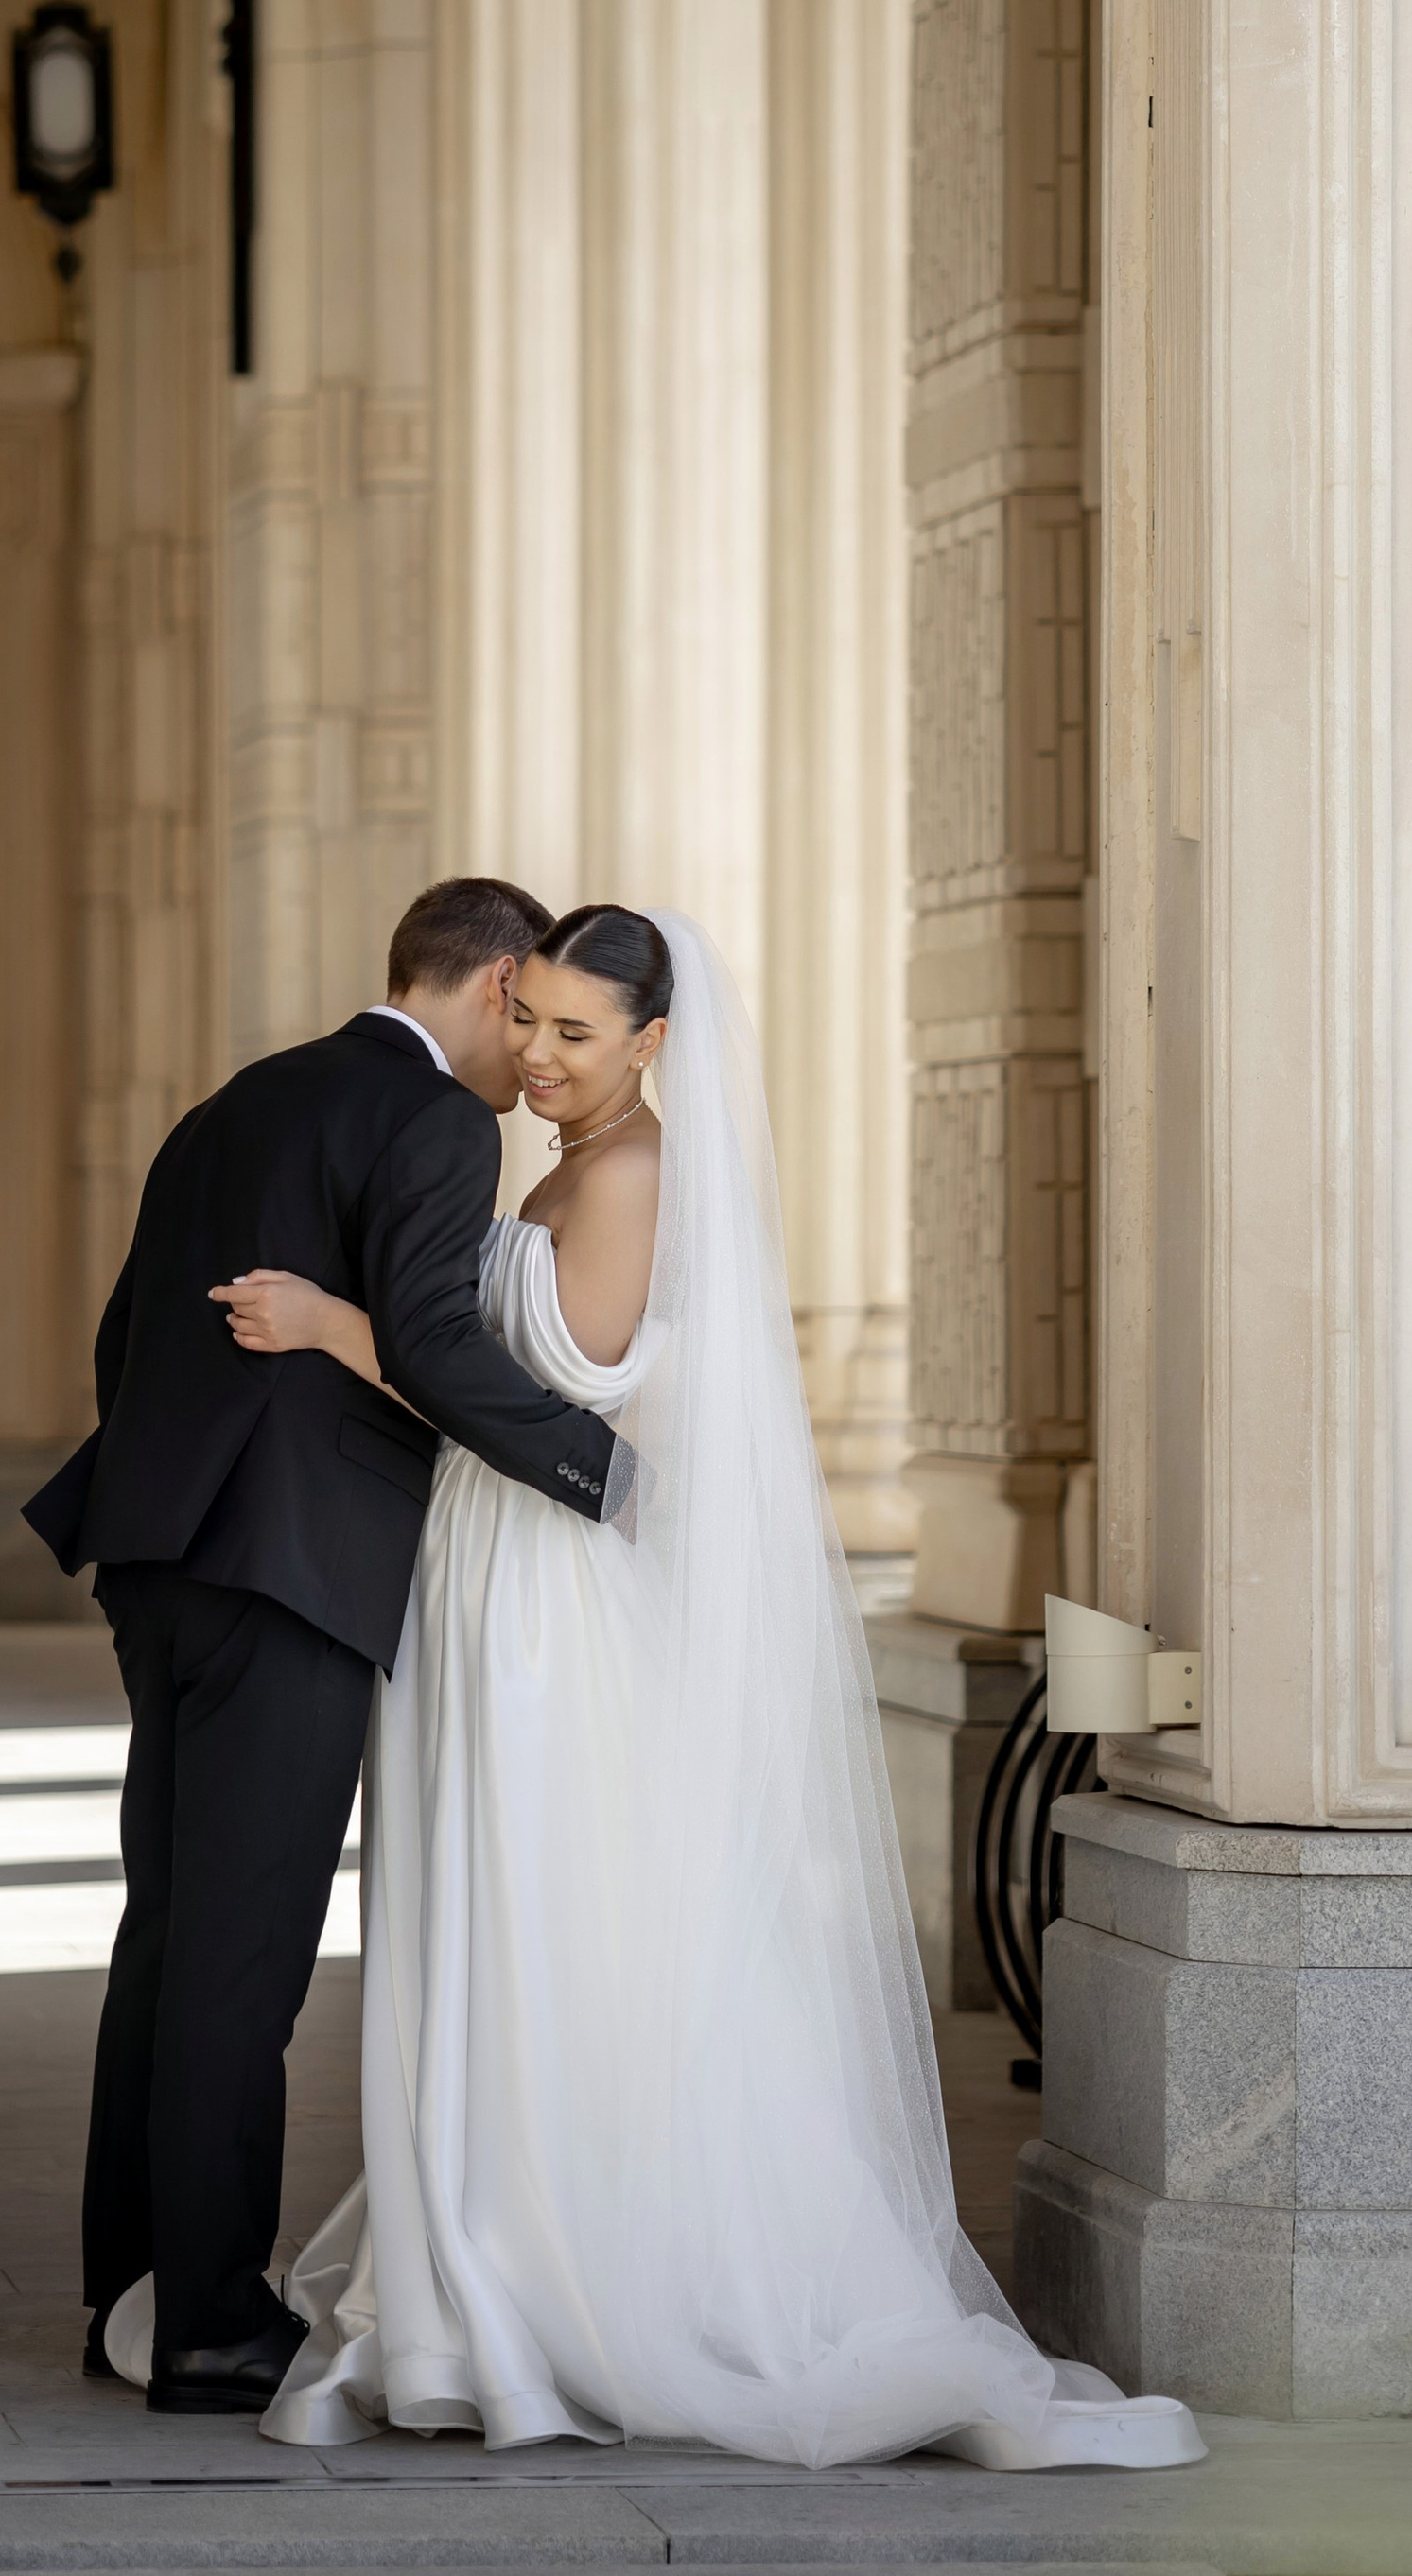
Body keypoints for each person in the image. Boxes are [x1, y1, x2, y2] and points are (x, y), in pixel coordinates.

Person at [103, 906, 1202, 2473]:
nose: (541, 1057)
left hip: (543, 1596)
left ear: (653, 1043)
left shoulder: (628, 1177)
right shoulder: (547, 1166)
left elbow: (541, 1395)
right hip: (474, 1579)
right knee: (478, 1925)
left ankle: (563, 2276)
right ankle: (475, 2251)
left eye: (575, 1034)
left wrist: (339, 1326)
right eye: (532, 1021)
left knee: (547, 1919)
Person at [20, 877, 633, 2419]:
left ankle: (135, 2286)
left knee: (167, 1933)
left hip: (159, 1555)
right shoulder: (435, 1124)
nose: (535, 1055)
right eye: (535, 1011)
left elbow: (122, 1335)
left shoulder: (235, 1103)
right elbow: (428, 1339)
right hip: (288, 1572)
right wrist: (604, 1475)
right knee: (242, 1955)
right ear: (495, 985)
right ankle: (217, 2324)